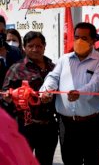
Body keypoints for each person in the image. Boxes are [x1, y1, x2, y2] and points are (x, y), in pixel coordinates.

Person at [40, 22, 99, 165]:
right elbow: (53, 77)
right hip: (66, 122)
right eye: (76, 37)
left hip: (91, 122)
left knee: (91, 160)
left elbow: (96, 84)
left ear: (93, 40)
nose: (79, 41)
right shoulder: (64, 59)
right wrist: (47, 90)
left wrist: (80, 93)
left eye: (84, 38)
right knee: (69, 160)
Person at [2, 31, 58, 165]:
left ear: (44, 46)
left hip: (49, 126)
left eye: (39, 46)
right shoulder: (16, 69)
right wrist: (10, 96)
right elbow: (4, 93)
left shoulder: (54, 68)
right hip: (25, 127)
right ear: (24, 48)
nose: (35, 49)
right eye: (31, 46)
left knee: (45, 161)